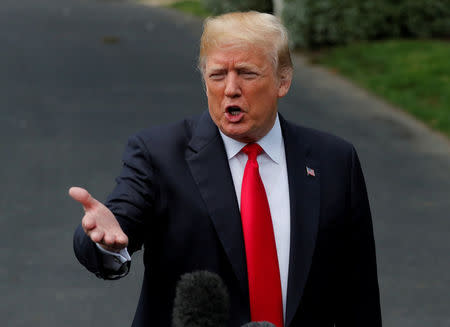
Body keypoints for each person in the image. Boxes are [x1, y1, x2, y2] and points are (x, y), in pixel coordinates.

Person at [71, 11, 381, 327]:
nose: (230, 89)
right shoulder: (159, 155)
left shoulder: (334, 161)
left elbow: (360, 294)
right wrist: (100, 240)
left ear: (282, 80)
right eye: (217, 75)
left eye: (247, 73)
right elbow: (118, 222)